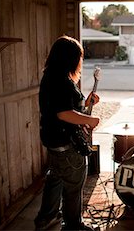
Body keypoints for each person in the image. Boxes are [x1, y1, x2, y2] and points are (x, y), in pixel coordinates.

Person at [34, 35, 100, 231]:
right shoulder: (61, 81)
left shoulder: (51, 76)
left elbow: (65, 106)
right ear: (70, 58)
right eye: (79, 57)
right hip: (65, 142)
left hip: (53, 140)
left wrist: (87, 103)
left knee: (55, 178)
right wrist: (89, 120)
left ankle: (46, 218)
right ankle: (73, 225)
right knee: (73, 185)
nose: (80, 62)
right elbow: (63, 113)